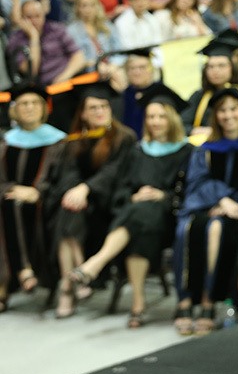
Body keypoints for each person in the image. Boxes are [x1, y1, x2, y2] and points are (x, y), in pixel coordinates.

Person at [70, 84, 192, 327]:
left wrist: (161, 196)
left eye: (161, 116)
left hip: (169, 217)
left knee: (142, 214)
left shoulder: (188, 152)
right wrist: (134, 196)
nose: (155, 122)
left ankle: (99, 263)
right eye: (150, 116)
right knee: (139, 221)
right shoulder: (137, 151)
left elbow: (189, 191)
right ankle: (137, 302)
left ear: (172, 118)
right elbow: (122, 189)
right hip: (138, 219)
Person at [173, 84, 238, 335]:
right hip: (206, 206)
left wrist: (232, 205)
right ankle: (185, 300)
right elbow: (196, 184)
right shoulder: (204, 150)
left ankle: (207, 299)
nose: (228, 115)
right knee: (188, 228)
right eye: (222, 110)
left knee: (216, 228)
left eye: (233, 109)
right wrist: (221, 200)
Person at [46, 82, 136, 318]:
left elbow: (114, 173)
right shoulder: (75, 140)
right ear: (83, 113)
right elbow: (68, 173)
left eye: (104, 106)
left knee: (69, 211)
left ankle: (68, 289)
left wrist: (86, 189)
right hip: (81, 205)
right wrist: (75, 192)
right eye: (93, 108)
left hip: (109, 203)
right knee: (67, 208)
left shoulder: (123, 137)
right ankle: (74, 280)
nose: (100, 112)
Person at [0, 83, 66, 311]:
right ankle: (21, 272)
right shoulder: (5, 141)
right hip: (8, 199)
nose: (29, 108)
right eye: (23, 104)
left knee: (12, 208)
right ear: (14, 109)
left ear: (43, 107)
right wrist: (10, 189)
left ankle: (8, 281)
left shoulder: (58, 141)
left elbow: (63, 178)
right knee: (10, 206)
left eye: (34, 103)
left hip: (47, 203)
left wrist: (38, 192)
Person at [7, 0, 86, 85]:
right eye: (29, 17)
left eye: (37, 16)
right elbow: (31, 71)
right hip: (45, 86)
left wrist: (65, 76)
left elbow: (79, 56)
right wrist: (34, 37)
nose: (34, 21)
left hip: (68, 77)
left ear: (44, 15)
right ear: (22, 19)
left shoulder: (56, 29)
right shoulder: (15, 40)